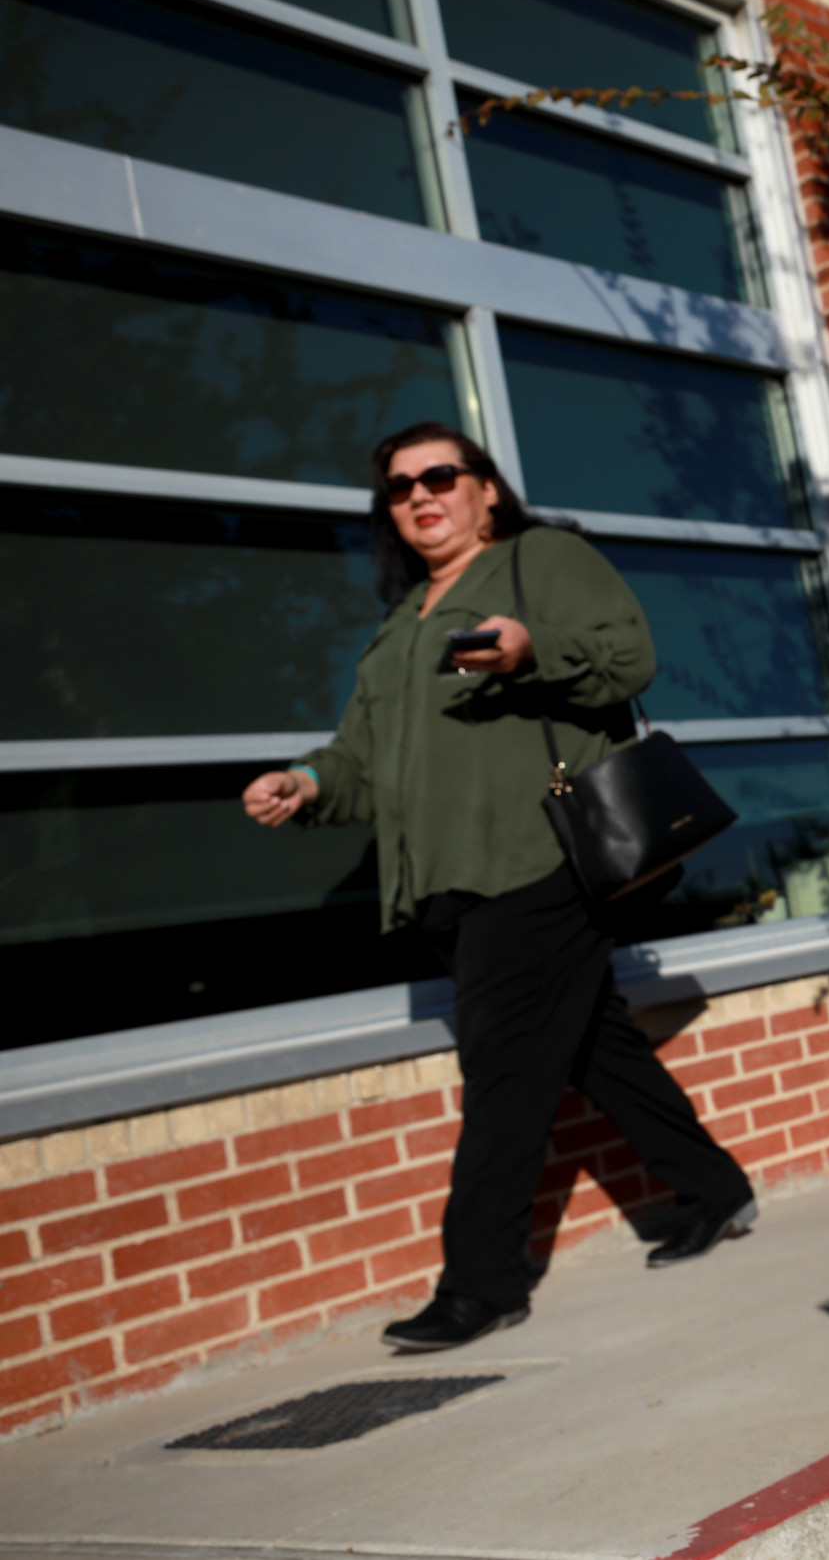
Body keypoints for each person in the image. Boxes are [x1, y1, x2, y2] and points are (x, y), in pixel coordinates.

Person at [242, 422, 756, 1352]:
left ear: (485, 489)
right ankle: (715, 1189)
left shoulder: (539, 559)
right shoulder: (400, 627)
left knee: (505, 1078)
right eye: (399, 488)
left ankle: (482, 1281)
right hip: (441, 886)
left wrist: (532, 650)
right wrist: (308, 783)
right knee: (593, 1047)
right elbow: (361, 761)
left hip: (536, 862)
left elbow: (628, 657)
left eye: (440, 475)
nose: (420, 495)